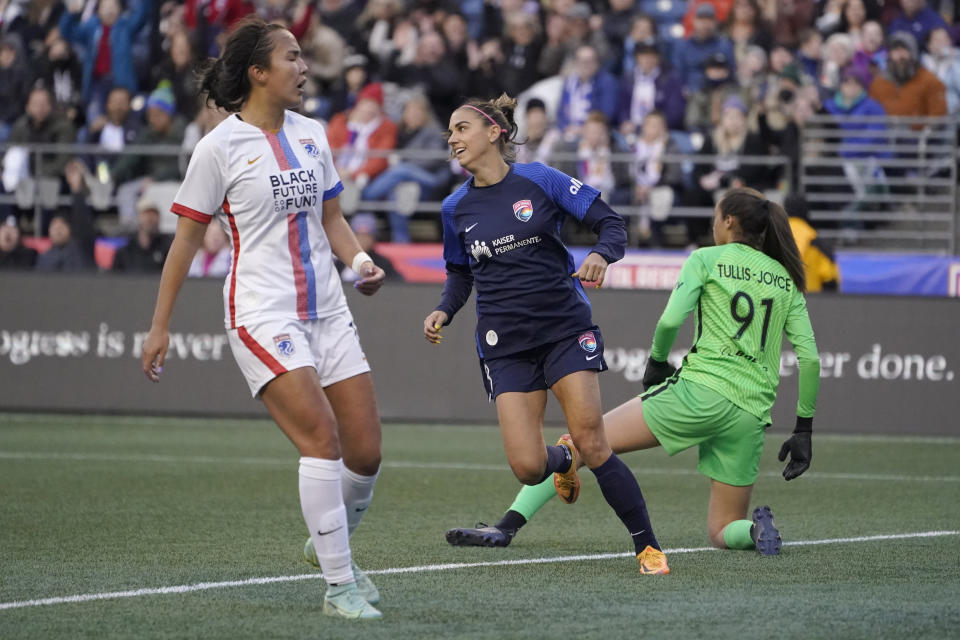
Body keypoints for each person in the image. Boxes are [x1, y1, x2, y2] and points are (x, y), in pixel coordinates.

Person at [139, 16, 387, 621]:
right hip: (261, 310)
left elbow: (332, 220)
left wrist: (359, 259)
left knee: (367, 452)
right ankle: (338, 584)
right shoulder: (217, 148)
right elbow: (186, 242)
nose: (304, 68)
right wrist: (159, 324)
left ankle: (328, 542)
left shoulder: (311, 133)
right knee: (321, 441)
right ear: (258, 72)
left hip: (328, 308)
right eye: (293, 58)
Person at [446, 187, 820, 559]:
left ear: (729, 221)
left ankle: (507, 525)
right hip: (750, 414)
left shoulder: (706, 259)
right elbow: (810, 359)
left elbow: (672, 319)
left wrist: (657, 361)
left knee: (584, 443)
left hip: (700, 393)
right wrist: (803, 428)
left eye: (715, 218)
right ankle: (755, 530)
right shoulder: (786, 279)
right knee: (722, 529)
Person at [423, 93, 669, 575]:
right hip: (504, 345)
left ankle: (647, 547)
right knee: (527, 467)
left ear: (494, 132)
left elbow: (610, 223)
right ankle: (562, 462)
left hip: (564, 330)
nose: (452, 138)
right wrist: (443, 310)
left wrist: (600, 254)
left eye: (460, 129)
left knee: (594, 441)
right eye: (449, 132)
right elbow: (460, 273)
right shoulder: (455, 207)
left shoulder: (539, 178)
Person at [111, 198, 173, 272]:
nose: (150, 219)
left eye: (154, 214)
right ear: (137, 217)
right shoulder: (125, 250)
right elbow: (114, 279)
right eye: (146, 214)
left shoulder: (168, 248)